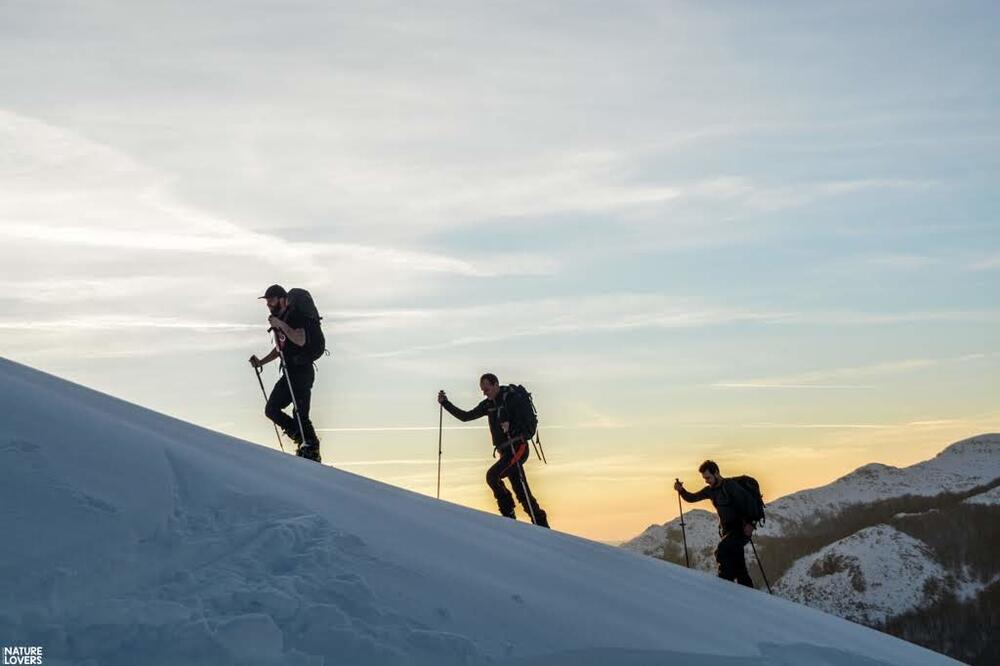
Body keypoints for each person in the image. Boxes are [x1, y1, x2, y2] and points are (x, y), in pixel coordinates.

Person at [438, 374, 549, 527]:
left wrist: (511, 427)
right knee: (521, 491)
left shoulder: (512, 399)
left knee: (492, 476)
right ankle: (541, 525)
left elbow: (526, 425)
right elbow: (466, 416)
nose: (485, 392)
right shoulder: (488, 405)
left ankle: (508, 514)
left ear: (496, 384)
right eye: (482, 390)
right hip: (505, 451)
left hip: (517, 447)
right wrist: (446, 403)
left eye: (487, 388)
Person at [249, 284, 322, 463]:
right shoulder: (281, 319)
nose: (269, 304)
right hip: (289, 371)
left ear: (282, 299)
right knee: (271, 409)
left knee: (300, 414)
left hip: (302, 371)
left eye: (271, 300)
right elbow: (281, 348)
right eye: (267, 301)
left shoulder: (294, 316)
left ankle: (311, 448)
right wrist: (261, 362)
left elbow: (300, 339)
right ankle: (301, 440)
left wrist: (280, 324)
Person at [674, 461, 755, 587]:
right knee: (739, 567)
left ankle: (724, 588)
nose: (706, 481)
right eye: (704, 478)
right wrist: (682, 490)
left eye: (708, 477)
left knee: (721, 551)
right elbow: (692, 498)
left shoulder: (731, 486)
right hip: (727, 532)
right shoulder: (710, 491)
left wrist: (750, 524)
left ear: (716, 473)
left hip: (741, 529)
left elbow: (747, 505)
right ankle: (750, 597)